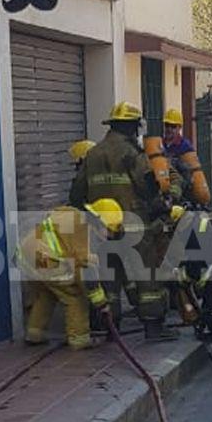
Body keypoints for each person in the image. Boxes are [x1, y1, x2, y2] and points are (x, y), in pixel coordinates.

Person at [69, 102, 183, 342]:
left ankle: (109, 328)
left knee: (110, 279)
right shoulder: (132, 153)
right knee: (147, 279)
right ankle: (153, 329)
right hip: (135, 227)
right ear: (132, 127)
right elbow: (148, 186)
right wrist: (161, 206)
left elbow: (76, 195)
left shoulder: (93, 154)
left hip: (102, 229)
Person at [16, 199, 124, 350]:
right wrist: (100, 302)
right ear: (98, 221)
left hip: (26, 258)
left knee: (47, 294)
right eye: (108, 230)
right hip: (45, 261)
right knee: (75, 296)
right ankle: (79, 340)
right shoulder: (83, 232)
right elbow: (84, 273)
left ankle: (34, 334)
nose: (108, 236)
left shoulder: (74, 216)